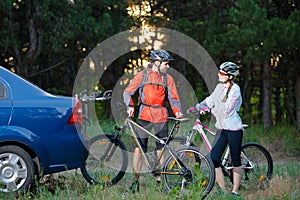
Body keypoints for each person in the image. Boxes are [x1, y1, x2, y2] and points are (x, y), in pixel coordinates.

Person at [123, 50, 183, 193]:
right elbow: (127, 92)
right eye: (166, 64)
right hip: (144, 116)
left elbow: (174, 98)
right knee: (138, 149)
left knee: (161, 149)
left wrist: (177, 111)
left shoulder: (168, 79)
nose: (167, 66)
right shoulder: (142, 75)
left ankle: (160, 182)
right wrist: (130, 106)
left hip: (161, 116)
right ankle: (135, 181)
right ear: (157, 62)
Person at [196, 62, 243, 196]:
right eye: (219, 72)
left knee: (235, 160)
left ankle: (235, 191)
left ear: (230, 76)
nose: (219, 75)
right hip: (221, 129)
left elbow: (227, 110)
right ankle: (223, 191)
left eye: (222, 73)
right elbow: (209, 100)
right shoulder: (219, 87)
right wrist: (198, 106)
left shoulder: (235, 90)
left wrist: (209, 109)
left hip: (233, 129)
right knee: (214, 158)